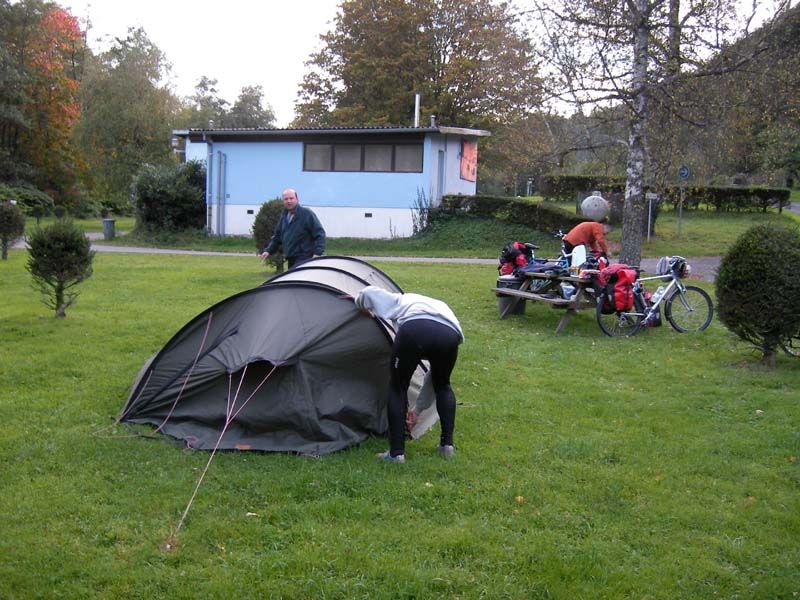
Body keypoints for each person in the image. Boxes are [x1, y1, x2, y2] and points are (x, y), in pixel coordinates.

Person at [354, 286, 464, 464]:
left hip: (415, 328)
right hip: (450, 333)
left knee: (398, 387)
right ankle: (447, 446)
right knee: (443, 385)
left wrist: (361, 306)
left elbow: (367, 293)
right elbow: (433, 379)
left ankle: (396, 454)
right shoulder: (440, 306)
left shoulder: (399, 299)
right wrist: (417, 410)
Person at [259, 188, 326, 269]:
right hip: (291, 258)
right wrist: (268, 251)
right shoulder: (284, 216)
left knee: (298, 277)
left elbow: (320, 233)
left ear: (297, 199)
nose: (289, 201)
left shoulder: (306, 214)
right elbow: (277, 236)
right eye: (286, 199)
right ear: (283, 201)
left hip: (304, 257)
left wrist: (318, 253)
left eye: (291, 198)